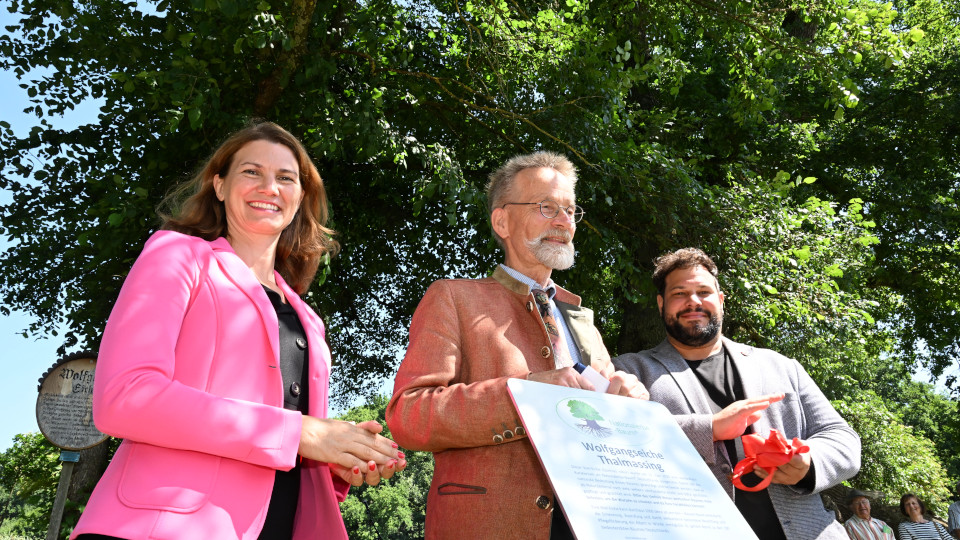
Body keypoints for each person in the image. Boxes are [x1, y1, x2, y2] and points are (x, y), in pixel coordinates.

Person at [71, 122, 406, 540]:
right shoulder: (176, 255)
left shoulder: (307, 317)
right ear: (219, 185)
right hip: (164, 527)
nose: (270, 187)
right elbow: (124, 397)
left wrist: (339, 458)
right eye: (251, 172)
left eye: (286, 178)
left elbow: (290, 447)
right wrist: (300, 433)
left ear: (300, 197)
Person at [385, 151, 649, 539]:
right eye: (546, 207)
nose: (563, 220)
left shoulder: (583, 321)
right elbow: (409, 416)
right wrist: (525, 395)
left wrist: (628, 404)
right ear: (502, 221)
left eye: (570, 210)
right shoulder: (452, 298)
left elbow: (604, 425)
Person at [613, 248, 861, 540]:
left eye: (704, 291)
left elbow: (842, 438)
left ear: (720, 299)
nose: (693, 301)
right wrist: (711, 428)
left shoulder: (781, 366)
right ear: (661, 303)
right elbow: (619, 443)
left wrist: (808, 465)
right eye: (679, 293)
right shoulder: (629, 371)